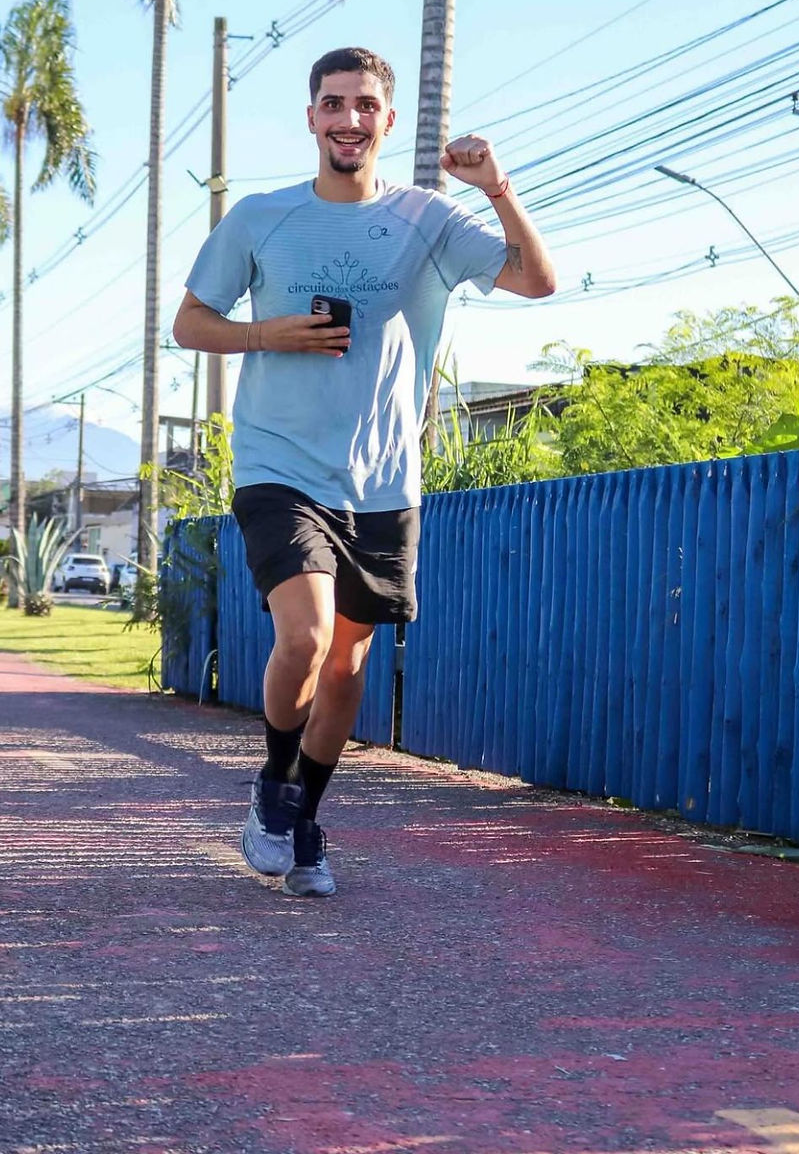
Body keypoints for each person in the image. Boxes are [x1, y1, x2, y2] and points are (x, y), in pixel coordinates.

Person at [173, 46, 555, 897]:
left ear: (386, 119)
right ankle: (273, 792)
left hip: (384, 480)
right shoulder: (261, 219)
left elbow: (537, 281)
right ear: (310, 117)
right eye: (333, 103)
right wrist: (263, 335)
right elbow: (190, 322)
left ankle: (305, 818)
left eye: (365, 105)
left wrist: (495, 185)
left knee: (347, 667)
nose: (349, 119)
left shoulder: (427, 220)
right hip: (279, 463)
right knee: (304, 638)